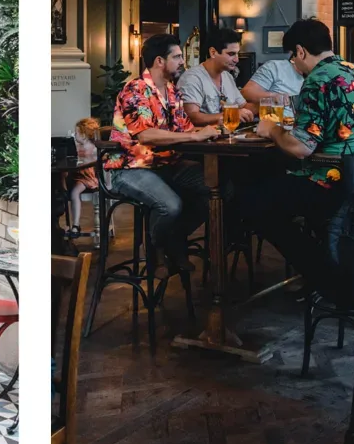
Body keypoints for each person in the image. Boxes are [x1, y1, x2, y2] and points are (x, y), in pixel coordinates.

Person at [252, 18, 354, 295]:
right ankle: (332, 263)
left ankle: (327, 280)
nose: (294, 64)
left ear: (300, 51)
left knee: (256, 206)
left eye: (293, 57)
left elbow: (301, 148)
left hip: (338, 184)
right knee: (279, 193)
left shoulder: (318, 80)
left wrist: (273, 131)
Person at [105, 33, 220, 277]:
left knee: (217, 191)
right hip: (131, 167)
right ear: (160, 60)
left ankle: (173, 239)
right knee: (170, 205)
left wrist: (212, 130)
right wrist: (193, 137)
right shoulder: (135, 90)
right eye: (177, 57)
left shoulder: (172, 91)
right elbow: (146, 135)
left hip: (167, 164)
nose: (182, 62)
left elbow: (185, 130)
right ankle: (156, 247)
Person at [176, 28, 254, 127]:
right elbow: (191, 117)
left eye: (237, 53)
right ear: (213, 52)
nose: (236, 59)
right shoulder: (192, 78)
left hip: (226, 137)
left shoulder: (227, 76)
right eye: (231, 54)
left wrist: (268, 104)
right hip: (202, 141)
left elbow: (244, 107)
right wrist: (229, 115)